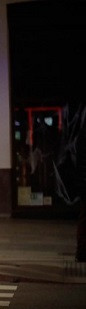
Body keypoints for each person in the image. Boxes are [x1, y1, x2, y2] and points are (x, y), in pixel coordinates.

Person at [75, 108, 86, 262]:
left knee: (84, 217)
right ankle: (82, 251)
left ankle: (82, 251)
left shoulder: (82, 134)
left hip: (83, 181)